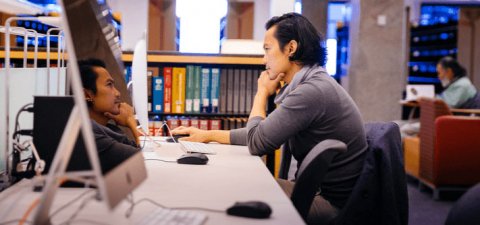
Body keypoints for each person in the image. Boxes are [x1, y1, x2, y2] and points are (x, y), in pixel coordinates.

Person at [172, 13, 367, 224]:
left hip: (328, 203)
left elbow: (258, 142)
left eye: (267, 49)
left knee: (231, 186)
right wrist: (206, 135)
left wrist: (262, 93)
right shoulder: (313, 82)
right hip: (315, 191)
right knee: (236, 181)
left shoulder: (311, 91)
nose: (263, 59)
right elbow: (264, 132)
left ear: (291, 48)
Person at [78, 58, 140, 173]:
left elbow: (142, 148)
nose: (118, 93)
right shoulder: (92, 137)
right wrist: (131, 120)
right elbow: (147, 160)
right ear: (87, 94)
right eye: (109, 85)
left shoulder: (110, 130)